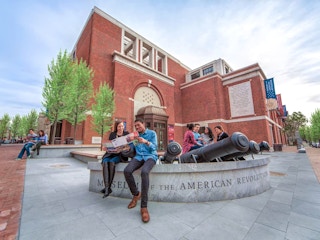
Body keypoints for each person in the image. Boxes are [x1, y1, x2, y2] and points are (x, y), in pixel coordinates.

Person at [123, 118, 157, 223]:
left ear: (143, 124)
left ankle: (144, 207)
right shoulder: (135, 136)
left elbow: (155, 147)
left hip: (150, 157)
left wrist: (146, 142)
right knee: (127, 171)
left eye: (138, 125)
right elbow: (131, 148)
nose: (137, 127)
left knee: (144, 172)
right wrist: (126, 147)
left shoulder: (152, 133)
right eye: (135, 126)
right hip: (138, 157)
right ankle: (136, 194)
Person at [101, 120, 130, 198]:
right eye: (119, 126)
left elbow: (129, 146)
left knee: (112, 162)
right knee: (105, 161)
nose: (121, 128)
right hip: (110, 153)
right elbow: (110, 145)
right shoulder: (112, 134)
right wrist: (106, 148)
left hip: (120, 155)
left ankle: (107, 189)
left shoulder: (126, 134)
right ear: (116, 127)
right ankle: (108, 188)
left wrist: (124, 148)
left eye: (122, 126)